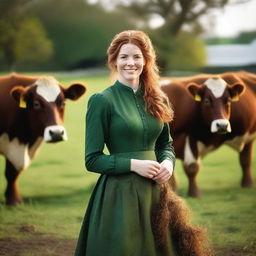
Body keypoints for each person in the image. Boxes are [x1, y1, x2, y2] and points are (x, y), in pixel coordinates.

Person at [75, 30, 212, 256]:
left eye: (137, 57)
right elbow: (92, 160)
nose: (131, 63)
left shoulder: (158, 99)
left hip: (156, 194)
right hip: (119, 197)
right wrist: (134, 165)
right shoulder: (102, 101)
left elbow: (165, 146)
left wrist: (168, 165)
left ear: (147, 60)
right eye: (124, 57)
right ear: (114, 61)